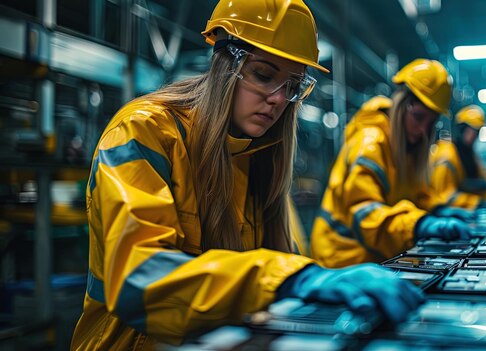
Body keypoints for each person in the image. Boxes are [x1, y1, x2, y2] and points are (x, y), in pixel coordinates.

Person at [70, 1, 425, 349]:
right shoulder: (142, 131)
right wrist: (289, 279)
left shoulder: (258, 152)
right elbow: (139, 281)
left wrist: (309, 278)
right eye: (264, 75)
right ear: (225, 61)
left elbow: (275, 260)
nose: (278, 99)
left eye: (292, 86)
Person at [310, 59, 471, 268]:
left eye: (431, 122)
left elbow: (418, 196)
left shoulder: (408, 148)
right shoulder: (370, 142)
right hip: (341, 258)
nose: (423, 129)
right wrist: (419, 224)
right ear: (402, 104)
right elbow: (366, 214)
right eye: (419, 117)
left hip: (375, 255)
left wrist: (439, 210)